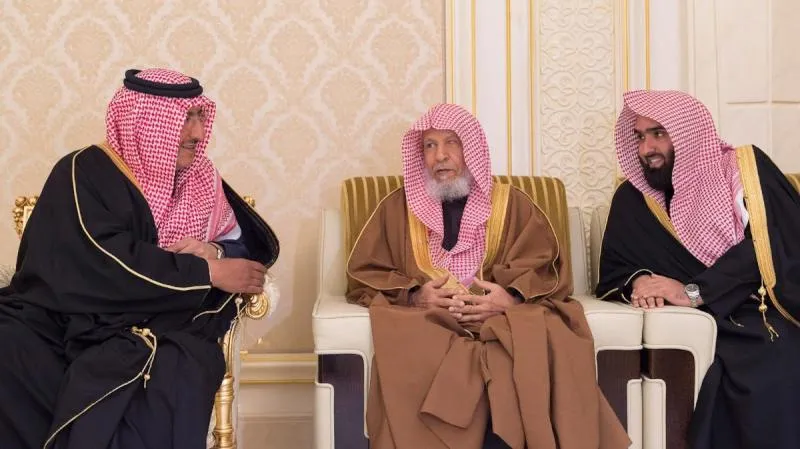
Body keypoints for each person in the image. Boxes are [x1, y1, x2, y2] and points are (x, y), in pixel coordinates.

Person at [0, 68, 279, 449]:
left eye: (200, 116)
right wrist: (206, 272)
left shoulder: (201, 179)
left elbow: (245, 246)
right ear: (144, 123)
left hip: (162, 319)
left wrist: (213, 251)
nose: (198, 133)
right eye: (185, 118)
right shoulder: (84, 171)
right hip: (68, 314)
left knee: (179, 368)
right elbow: (102, 259)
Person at [347, 103, 628, 449]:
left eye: (451, 143)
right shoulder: (396, 208)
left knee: (530, 337)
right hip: (429, 321)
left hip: (500, 321)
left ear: (471, 148)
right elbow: (366, 271)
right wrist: (416, 295)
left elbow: (544, 266)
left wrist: (509, 299)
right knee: (409, 337)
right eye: (430, 145)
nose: (440, 156)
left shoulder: (514, 205)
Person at [596, 89, 800, 449]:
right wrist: (640, 281)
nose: (646, 149)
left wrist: (693, 291)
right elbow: (616, 268)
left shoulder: (744, 170)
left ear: (689, 134)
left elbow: (769, 243)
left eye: (658, 134)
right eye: (639, 137)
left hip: (764, 308)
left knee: (780, 359)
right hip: (709, 322)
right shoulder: (632, 200)